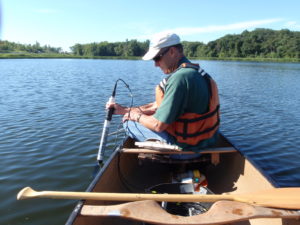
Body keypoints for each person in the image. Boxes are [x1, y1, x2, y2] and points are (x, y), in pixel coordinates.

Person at [107, 32, 220, 155]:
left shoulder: (179, 79)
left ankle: (167, 153)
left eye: (157, 58)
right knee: (134, 115)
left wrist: (133, 116)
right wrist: (125, 109)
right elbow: (158, 105)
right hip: (208, 143)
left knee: (128, 123)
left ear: (172, 51)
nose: (155, 64)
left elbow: (157, 125)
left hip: (186, 151)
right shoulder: (197, 73)